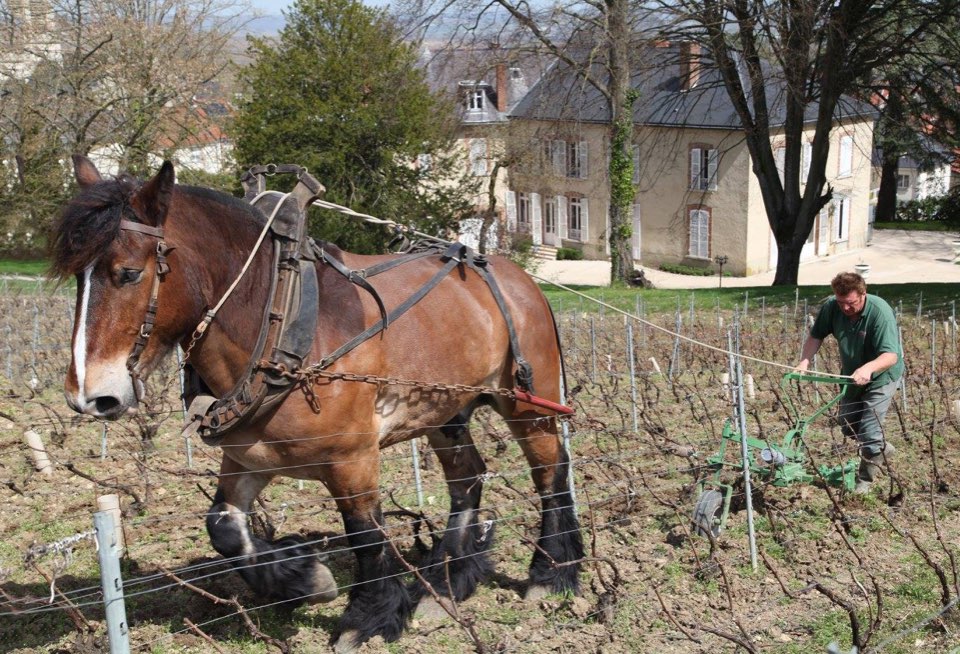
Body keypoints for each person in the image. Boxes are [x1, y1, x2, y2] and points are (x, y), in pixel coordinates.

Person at [796, 272, 904, 494]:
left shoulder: (879, 312)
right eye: (840, 302)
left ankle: (863, 483)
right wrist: (804, 362)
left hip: (881, 376)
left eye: (851, 303)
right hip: (852, 377)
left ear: (863, 294)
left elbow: (891, 356)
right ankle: (881, 449)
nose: (845, 308)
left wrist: (868, 368)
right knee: (847, 424)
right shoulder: (832, 306)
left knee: (870, 433)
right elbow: (816, 335)